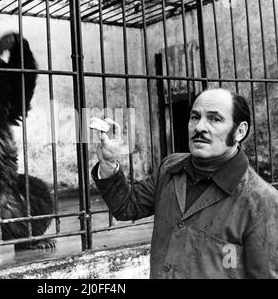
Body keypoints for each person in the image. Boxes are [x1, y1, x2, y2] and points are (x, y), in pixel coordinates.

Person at [91, 88, 278, 279]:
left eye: (215, 119)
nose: (199, 127)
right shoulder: (170, 168)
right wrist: (108, 162)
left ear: (240, 131)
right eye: (195, 117)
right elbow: (127, 207)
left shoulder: (261, 200)